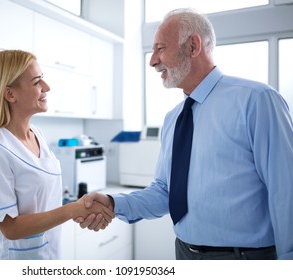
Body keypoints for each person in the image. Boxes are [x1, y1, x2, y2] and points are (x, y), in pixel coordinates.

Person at [76, 8, 293, 260]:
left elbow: (286, 190)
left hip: (244, 258)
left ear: (192, 46)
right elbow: (164, 192)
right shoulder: (173, 118)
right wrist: (114, 203)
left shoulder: (257, 101)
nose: (152, 61)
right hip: (184, 253)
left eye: (160, 48)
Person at [0, 50, 114, 260]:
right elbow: (11, 229)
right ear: (10, 94)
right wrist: (73, 210)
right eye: (37, 82)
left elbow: (45, 203)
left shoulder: (36, 135)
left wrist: (83, 208)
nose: (47, 88)